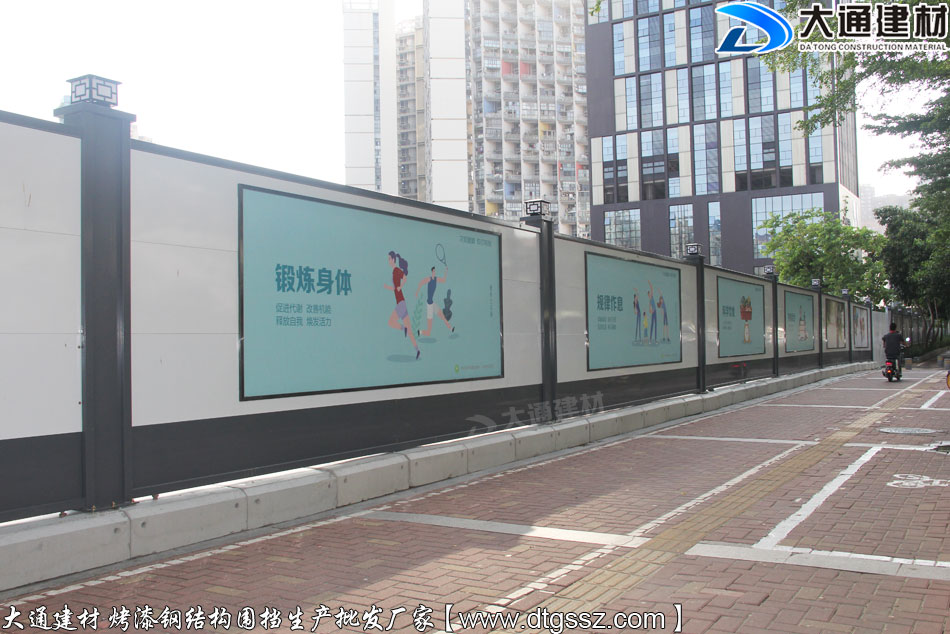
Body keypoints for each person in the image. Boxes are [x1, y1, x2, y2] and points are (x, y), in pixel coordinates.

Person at [384, 251, 420, 359]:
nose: (388, 261)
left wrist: (401, 286)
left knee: (391, 322)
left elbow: (405, 278)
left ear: (393, 259)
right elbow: (395, 288)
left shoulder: (396, 270)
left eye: (389, 259)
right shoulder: (393, 272)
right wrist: (388, 287)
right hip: (402, 303)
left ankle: (403, 328)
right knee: (410, 331)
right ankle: (417, 350)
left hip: (401, 303)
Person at [415, 265, 454, 337]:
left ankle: (451, 328)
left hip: (432, 304)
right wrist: (417, 292)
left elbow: (444, 280)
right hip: (429, 306)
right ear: (431, 272)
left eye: (435, 271)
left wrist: (446, 271)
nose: (434, 272)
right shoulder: (429, 279)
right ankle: (420, 332)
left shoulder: (436, 279)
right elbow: (421, 283)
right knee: (428, 332)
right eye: (433, 271)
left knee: (442, 316)